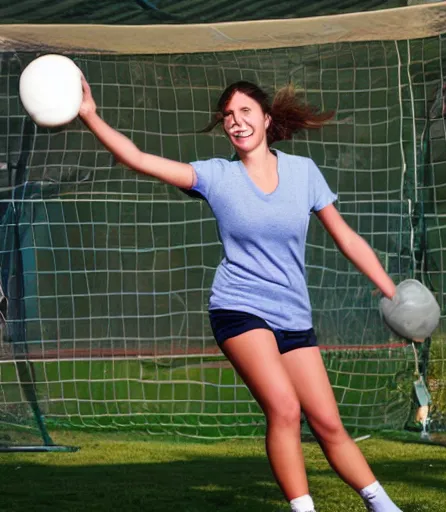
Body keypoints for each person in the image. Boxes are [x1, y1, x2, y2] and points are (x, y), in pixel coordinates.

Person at [79, 76, 402, 512]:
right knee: (285, 409)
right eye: (228, 116)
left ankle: (383, 506)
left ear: (267, 119)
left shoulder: (303, 172)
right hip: (239, 309)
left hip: (293, 316)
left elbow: (346, 237)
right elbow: (138, 159)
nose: (236, 121)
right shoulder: (216, 176)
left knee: (328, 423)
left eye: (245, 111)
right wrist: (90, 115)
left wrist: (391, 292)